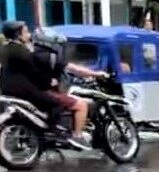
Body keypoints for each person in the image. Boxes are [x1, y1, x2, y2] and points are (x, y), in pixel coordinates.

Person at [0, 21, 105, 150]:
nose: (28, 35)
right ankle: (76, 136)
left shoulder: (5, 49)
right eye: (26, 32)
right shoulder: (26, 53)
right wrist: (49, 82)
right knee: (79, 104)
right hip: (27, 91)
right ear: (18, 35)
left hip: (8, 90)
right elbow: (35, 73)